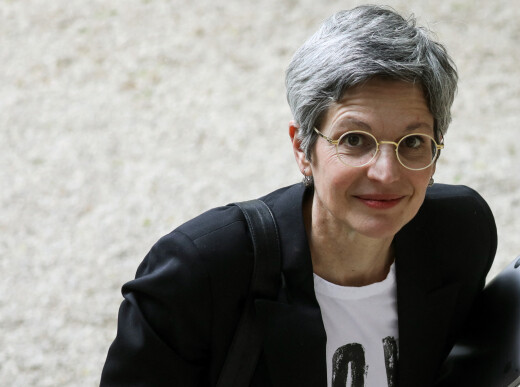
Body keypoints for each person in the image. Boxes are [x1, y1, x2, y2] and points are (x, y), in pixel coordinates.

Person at [100, 5, 496, 387]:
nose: (386, 172)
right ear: (302, 148)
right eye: (355, 139)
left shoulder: (460, 236)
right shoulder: (199, 272)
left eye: (413, 142)